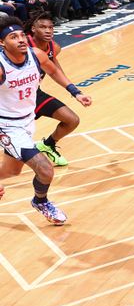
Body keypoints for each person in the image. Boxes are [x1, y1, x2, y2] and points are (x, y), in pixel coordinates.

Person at [0, 16, 92, 224]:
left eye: (22, 35)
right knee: (45, 169)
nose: (21, 40)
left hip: (27, 121)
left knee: (12, 171)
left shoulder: (37, 55)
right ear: (2, 43)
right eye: (13, 37)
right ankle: (40, 201)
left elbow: (54, 71)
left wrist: (75, 93)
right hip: (7, 126)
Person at [24, 12, 84, 166]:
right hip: (12, 99)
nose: (48, 30)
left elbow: (55, 70)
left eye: (51, 27)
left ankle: (48, 145)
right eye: (43, 27)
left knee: (72, 120)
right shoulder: (23, 45)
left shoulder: (53, 47)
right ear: (33, 29)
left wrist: (75, 92)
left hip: (34, 95)